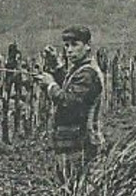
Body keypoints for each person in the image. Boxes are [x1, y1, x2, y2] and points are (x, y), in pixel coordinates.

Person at [38, 25, 105, 182]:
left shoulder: (88, 73)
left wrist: (50, 85)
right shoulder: (81, 69)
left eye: (75, 45)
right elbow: (70, 84)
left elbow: (69, 102)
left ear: (88, 45)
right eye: (66, 45)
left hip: (80, 145)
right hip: (73, 143)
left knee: (74, 189)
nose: (69, 50)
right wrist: (57, 66)